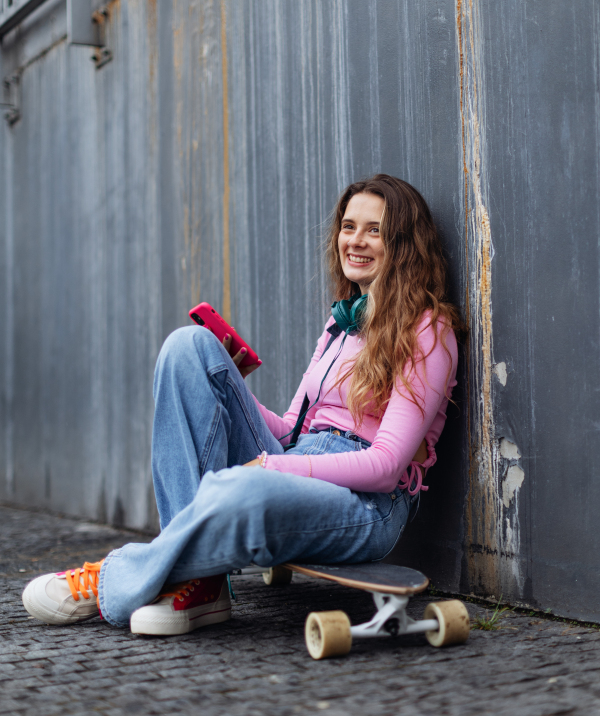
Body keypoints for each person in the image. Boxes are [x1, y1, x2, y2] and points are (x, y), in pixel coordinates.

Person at [22, 174, 462, 636]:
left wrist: (270, 468)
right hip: (296, 459)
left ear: (404, 244)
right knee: (187, 347)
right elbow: (293, 432)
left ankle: (114, 578)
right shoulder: (341, 326)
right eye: (348, 226)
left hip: (366, 503)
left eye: (374, 230)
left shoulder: (428, 330)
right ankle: (201, 586)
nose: (355, 240)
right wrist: (229, 386)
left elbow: (386, 466)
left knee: (241, 491)